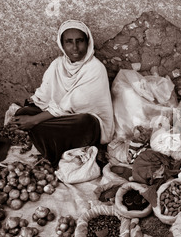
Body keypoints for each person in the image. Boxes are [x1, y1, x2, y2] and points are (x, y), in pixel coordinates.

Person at [9, 20, 114, 167]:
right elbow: (44, 95)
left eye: (80, 41)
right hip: (58, 117)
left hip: (85, 123)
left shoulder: (95, 68)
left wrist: (34, 120)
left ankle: (45, 145)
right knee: (23, 112)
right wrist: (31, 109)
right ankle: (43, 137)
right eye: (69, 42)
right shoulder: (58, 65)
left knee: (84, 122)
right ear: (62, 44)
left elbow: (74, 103)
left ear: (88, 42)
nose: (75, 47)